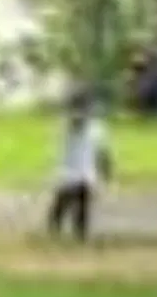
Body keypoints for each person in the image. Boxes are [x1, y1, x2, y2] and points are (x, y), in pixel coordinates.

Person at [44, 94, 109, 243]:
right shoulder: (68, 126)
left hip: (86, 173)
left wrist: (105, 170)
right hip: (68, 172)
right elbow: (72, 124)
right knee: (61, 204)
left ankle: (80, 234)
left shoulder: (96, 129)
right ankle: (54, 231)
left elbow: (102, 152)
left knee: (82, 206)